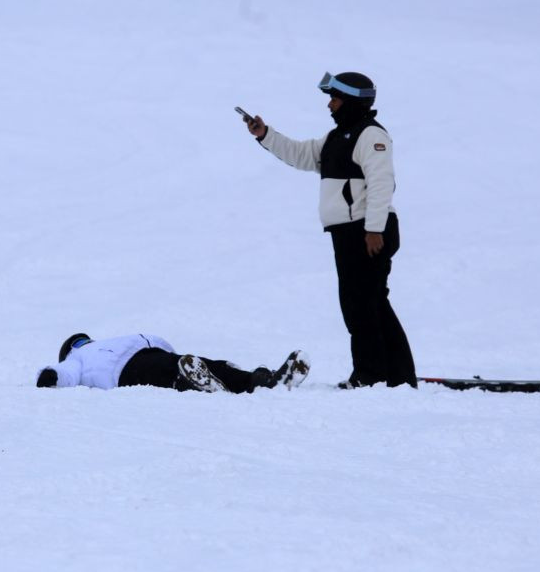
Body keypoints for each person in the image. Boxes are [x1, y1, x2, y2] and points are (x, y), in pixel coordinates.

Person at [242, 72, 416, 389]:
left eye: (334, 99)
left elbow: (381, 184)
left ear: (351, 102)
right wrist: (265, 134)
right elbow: (301, 154)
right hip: (350, 232)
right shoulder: (338, 138)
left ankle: (372, 375)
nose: (330, 106)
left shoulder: (371, 136)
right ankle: (396, 376)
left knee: (362, 305)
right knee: (368, 303)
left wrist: (374, 229)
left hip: (367, 232)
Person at [35, 332, 310, 393]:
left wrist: (164, 348)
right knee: (166, 373)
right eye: (78, 343)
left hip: (148, 353)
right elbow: (67, 373)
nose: (84, 344)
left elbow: (145, 338)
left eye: (84, 340)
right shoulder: (76, 359)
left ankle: (258, 381)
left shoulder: (109, 342)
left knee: (202, 363)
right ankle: (192, 381)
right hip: (125, 372)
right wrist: (51, 376)